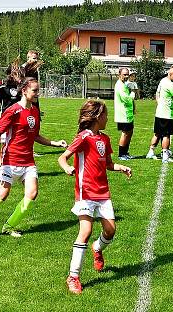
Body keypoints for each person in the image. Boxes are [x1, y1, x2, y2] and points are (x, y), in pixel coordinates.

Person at [0, 78, 68, 243]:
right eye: (35, 91)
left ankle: (9, 226)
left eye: (38, 90)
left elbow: (35, 135)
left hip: (28, 161)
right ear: (24, 91)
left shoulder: (35, 111)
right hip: (10, 160)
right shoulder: (13, 110)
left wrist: (54, 143)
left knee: (32, 193)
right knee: (2, 194)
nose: (38, 93)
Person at [58, 100, 132, 295]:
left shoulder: (105, 139)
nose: (108, 118)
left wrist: (121, 167)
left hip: (102, 191)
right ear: (97, 117)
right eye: (106, 115)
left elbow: (108, 164)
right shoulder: (83, 137)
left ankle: (97, 248)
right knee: (86, 230)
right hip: (86, 192)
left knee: (110, 230)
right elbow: (62, 157)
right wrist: (67, 167)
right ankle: (73, 276)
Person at [145, 64, 173, 162]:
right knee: (166, 135)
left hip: (160, 113)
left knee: (157, 134)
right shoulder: (169, 84)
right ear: (171, 74)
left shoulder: (164, 81)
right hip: (167, 114)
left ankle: (151, 152)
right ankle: (165, 155)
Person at [0, 61, 24, 146]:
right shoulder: (2, 88)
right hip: (5, 117)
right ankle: (1, 157)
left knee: (19, 138)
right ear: (11, 74)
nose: (19, 76)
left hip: (19, 117)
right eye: (16, 74)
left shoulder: (22, 88)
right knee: (4, 141)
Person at [114, 67, 136, 160]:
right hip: (123, 115)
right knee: (125, 133)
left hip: (128, 114)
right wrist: (133, 92)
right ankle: (121, 154)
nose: (126, 76)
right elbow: (127, 100)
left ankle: (126, 153)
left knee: (129, 132)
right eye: (124, 74)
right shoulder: (120, 86)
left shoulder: (124, 84)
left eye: (127, 74)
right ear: (119, 75)